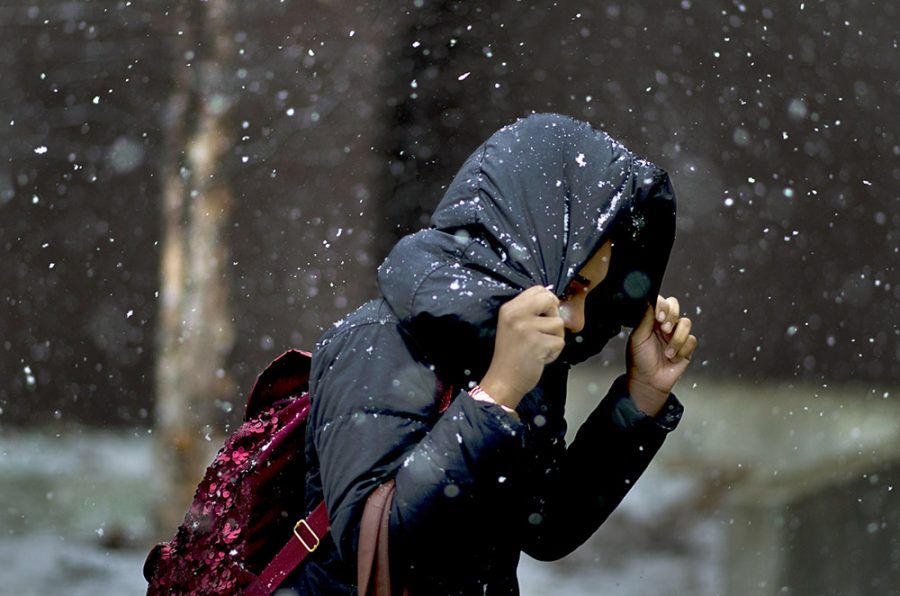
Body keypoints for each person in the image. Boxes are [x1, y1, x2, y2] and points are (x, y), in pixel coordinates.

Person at [286, 113, 698, 595]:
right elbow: (378, 559)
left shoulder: (527, 360)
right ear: (523, 248)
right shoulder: (377, 340)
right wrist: (496, 394)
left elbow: (543, 526)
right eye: (574, 287)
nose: (581, 321)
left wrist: (638, 399)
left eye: (592, 293)